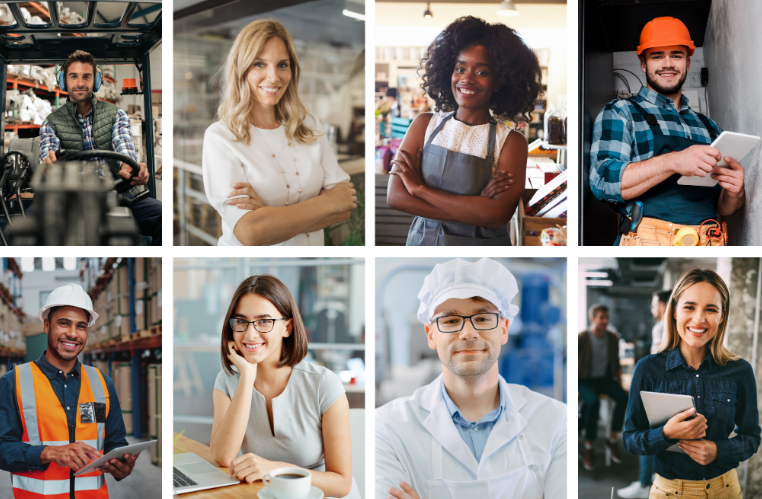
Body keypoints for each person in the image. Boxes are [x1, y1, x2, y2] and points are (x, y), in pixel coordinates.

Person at [376, 258, 567, 499]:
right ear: (431, 334)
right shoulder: (386, 428)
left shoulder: (558, 422)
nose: (468, 333)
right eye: (451, 320)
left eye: (483, 318)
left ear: (504, 329)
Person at [589, 17, 745, 246]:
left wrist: (734, 193)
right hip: (647, 241)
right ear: (643, 63)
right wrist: (673, 162)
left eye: (676, 55)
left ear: (688, 62)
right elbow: (603, 182)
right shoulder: (622, 112)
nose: (668, 64)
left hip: (709, 241)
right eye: (657, 56)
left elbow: (722, 207)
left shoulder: (710, 127)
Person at [387, 16, 541, 246]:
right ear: (449, 71)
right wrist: (475, 209)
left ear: (499, 82)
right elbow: (396, 197)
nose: (466, 79)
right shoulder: (423, 124)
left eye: (481, 72)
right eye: (460, 68)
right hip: (423, 246)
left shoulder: (511, 142)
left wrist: (420, 190)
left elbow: (497, 216)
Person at [202, 20, 357, 246]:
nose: (274, 77)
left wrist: (270, 217)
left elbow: (345, 206)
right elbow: (251, 233)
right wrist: (328, 203)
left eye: (282, 65)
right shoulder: (220, 138)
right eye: (259, 64)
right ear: (241, 69)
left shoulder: (309, 124)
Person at [210, 274, 359, 498]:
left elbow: (341, 484)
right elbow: (223, 456)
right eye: (241, 321)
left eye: (264, 321)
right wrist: (247, 377)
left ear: (287, 328)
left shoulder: (323, 384)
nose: (250, 334)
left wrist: (276, 470)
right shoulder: (227, 380)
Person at [0, 283, 139, 498]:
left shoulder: (102, 383)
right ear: (47, 325)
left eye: (81, 326)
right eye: (64, 324)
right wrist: (47, 452)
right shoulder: (14, 381)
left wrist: (122, 467)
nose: (73, 334)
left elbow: (115, 444)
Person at [623, 268, 760, 498]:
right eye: (689, 307)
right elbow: (630, 440)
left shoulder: (740, 370)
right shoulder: (648, 368)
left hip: (725, 490)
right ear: (674, 310)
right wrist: (665, 434)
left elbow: (751, 437)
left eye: (711, 309)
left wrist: (718, 451)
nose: (699, 319)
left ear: (722, 316)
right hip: (669, 492)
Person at [39, 50, 162, 245]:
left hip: (118, 193)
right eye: (74, 76)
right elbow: (48, 156)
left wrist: (130, 168)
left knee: (163, 218)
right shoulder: (51, 123)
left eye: (86, 77)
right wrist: (48, 165)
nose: (80, 83)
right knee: (32, 226)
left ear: (95, 82)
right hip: (71, 200)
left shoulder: (116, 114)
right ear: (64, 81)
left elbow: (125, 146)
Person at [617, 289, 670, 499]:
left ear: (663, 306)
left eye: (654, 304)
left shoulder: (661, 327)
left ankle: (644, 483)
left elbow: (658, 360)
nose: (651, 308)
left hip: (657, 386)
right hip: (667, 386)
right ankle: (651, 481)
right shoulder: (675, 326)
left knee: (645, 432)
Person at [578, 304, 628, 471]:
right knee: (593, 403)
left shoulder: (612, 338)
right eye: (602, 318)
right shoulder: (582, 338)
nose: (605, 321)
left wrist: (620, 385)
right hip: (585, 380)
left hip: (605, 379)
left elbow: (616, 364)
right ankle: (589, 446)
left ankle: (612, 438)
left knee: (622, 397)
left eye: (607, 318)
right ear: (592, 319)